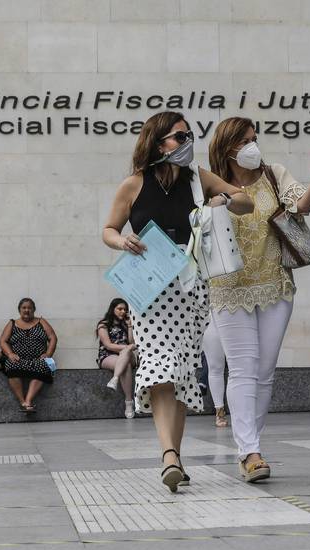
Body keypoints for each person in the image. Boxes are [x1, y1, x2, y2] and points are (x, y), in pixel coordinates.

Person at [102, 111, 253, 492]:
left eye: (189, 136)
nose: (187, 143)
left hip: (191, 288)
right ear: (157, 143)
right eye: (178, 137)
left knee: (183, 369)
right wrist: (122, 241)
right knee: (158, 366)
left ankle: (176, 457)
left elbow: (245, 200)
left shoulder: (198, 178)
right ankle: (168, 454)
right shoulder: (133, 185)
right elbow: (108, 230)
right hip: (149, 290)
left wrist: (225, 202)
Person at [208, 116, 310, 482]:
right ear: (229, 146)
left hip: (275, 285)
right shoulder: (210, 183)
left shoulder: (273, 174)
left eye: (256, 138)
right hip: (228, 289)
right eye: (247, 140)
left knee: (264, 372)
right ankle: (249, 452)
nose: (254, 145)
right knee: (242, 368)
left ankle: (252, 444)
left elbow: (303, 207)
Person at [0, 298, 58, 413]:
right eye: (24, 308)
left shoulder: (41, 321)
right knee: (11, 365)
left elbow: (53, 338)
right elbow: (3, 341)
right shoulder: (12, 323)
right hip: (18, 359)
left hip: (37, 360)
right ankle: (22, 401)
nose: (27, 310)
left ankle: (28, 401)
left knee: (43, 366)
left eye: (29, 308)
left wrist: (48, 354)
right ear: (19, 310)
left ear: (34, 309)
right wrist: (10, 353)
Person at [97, 298, 137, 419]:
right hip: (107, 355)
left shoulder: (127, 323)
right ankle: (129, 403)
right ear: (112, 309)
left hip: (128, 355)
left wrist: (130, 326)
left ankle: (115, 378)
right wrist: (127, 347)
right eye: (120, 309)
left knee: (126, 354)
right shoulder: (103, 324)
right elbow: (108, 345)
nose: (123, 311)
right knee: (127, 366)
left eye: (125, 309)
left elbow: (132, 342)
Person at [202, 318, 229, 427]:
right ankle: (220, 411)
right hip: (211, 314)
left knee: (239, 368)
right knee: (215, 367)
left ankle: (242, 413)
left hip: (238, 313)